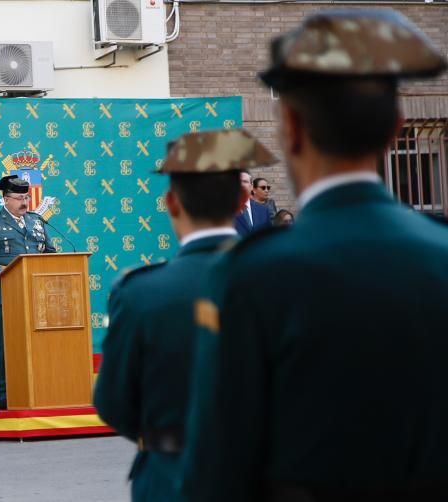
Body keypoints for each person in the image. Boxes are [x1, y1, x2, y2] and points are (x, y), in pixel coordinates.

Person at [180, 11, 448, 502]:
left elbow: (216, 462)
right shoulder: (440, 253)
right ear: (396, 127)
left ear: (291, 126)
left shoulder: (249, 275)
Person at [93, 129, 277, 502]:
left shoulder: (140, 292)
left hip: (171, 477)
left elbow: (114, 402)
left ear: (171, 203)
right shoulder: (284, 283)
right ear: (245, 198)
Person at [0, 174, 55, 409]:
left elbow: (50, 253)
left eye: (27, 197)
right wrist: (2, 272)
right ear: (6, 199)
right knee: (3, 347)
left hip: (36, 295)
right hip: (4, 296)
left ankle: (38, 391)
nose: (24, 202)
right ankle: (4, 396)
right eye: (19, 198)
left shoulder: (37, 221)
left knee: (38, 344)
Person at [232, 169, 271, 236]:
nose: (242, 185)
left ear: (251, 186)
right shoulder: (226, 211)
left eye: (245, 181)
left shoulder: (263, 210)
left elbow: (268, 237)